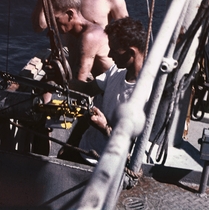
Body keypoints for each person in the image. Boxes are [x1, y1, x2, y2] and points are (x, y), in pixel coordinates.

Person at [57, 17, 147, 165]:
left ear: (131, 52)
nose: (110, 55)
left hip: (105, 165)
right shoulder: (116, 71)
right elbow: (87, 89)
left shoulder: (146, 92)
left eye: (115, 50)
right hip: (84, 149)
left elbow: (134, 143)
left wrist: (104, 127)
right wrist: (61, 80)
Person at [50, 0, 114, 81]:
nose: (52, 24)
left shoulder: (90, 37)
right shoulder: (76, 34)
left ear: (70, 14)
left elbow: (79, 80)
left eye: (56, 19)